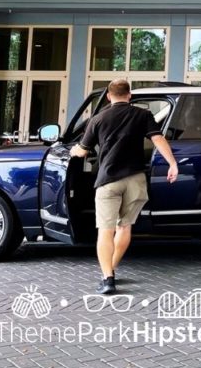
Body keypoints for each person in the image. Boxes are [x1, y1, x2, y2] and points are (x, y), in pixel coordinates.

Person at [70, 79, 178, 295]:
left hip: (108, 180)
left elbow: (82, 151)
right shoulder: (143, 115)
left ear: (109, 96)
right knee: (124, 227)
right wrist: (172, 163)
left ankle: (107, 278)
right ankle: (112, 268)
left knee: (105, 231)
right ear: (129, 95)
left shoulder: (98, 118)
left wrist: (73, 151)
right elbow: (158, 139)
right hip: (135, 179)